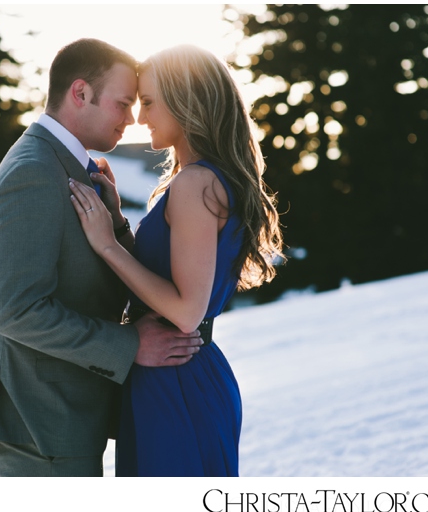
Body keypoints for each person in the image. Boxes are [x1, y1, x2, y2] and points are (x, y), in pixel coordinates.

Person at [0, 38, 204, 477]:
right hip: (39, 428)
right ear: (80, 93)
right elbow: (17, 311)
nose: (133, 119)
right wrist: (131, 344)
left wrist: (115, 221)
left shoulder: (67, 166)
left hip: (60, 421)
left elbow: (88, 278)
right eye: (123, 104)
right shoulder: (33, 173)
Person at [68, 45, 284, 476]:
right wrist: (117, 221)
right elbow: (168, 273)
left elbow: (187, 311)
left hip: (177, 378)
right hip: (179, 372)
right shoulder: (204, 179)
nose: (139, 117)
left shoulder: (195, 184)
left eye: (148, 102)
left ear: (187, 103)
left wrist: (107, 246)